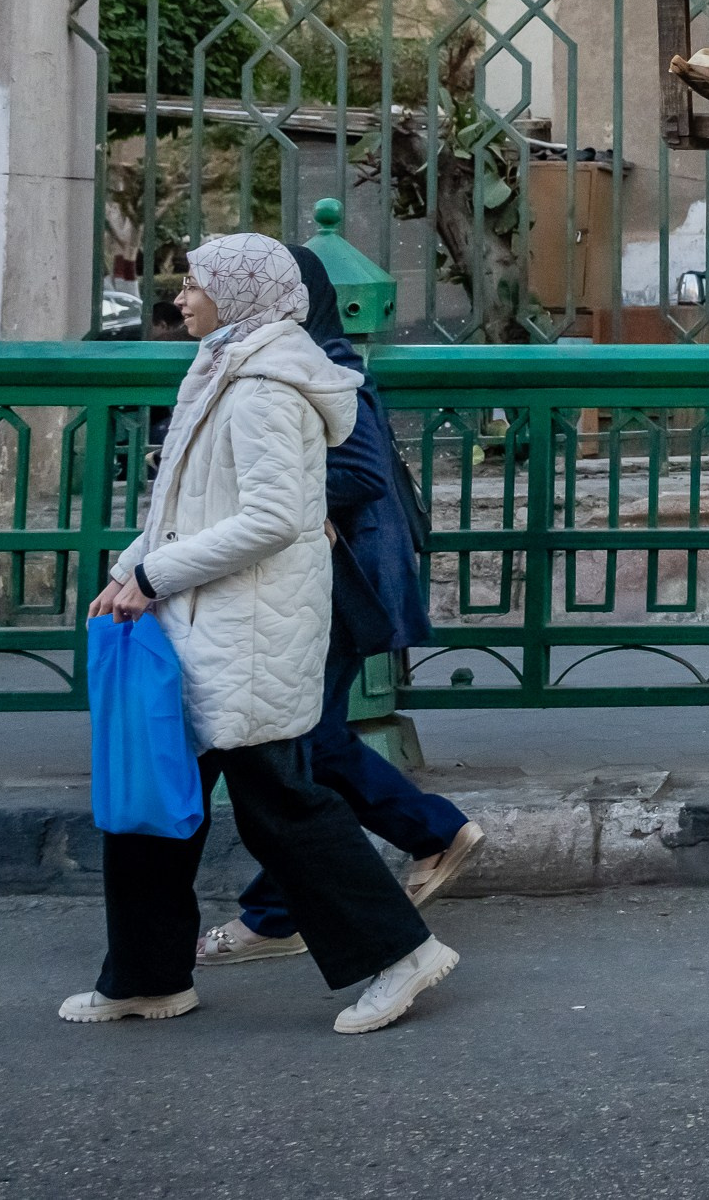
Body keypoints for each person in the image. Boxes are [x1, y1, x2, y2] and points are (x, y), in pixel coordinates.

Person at [63, 233, 461, 1035]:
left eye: (197, 282)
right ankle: (145, 976)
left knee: (279, 806)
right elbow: (181, 504)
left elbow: (274, 519)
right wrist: (131, 565)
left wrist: (152, 576)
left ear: (240, 295)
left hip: (246, 634)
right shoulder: (225, 365)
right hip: (207, 623)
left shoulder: (265, 387)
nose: (180, 294)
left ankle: (401, 952)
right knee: (158, 805)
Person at [193, 247, 483, 966]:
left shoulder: (316, 363)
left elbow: (356, 472)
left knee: (300, 742)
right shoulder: (284, 356)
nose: (189, 297)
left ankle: (424, 837)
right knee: (298, 742)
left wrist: (271, 491)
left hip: (333, 579)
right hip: (316, 579)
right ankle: (285, 904)